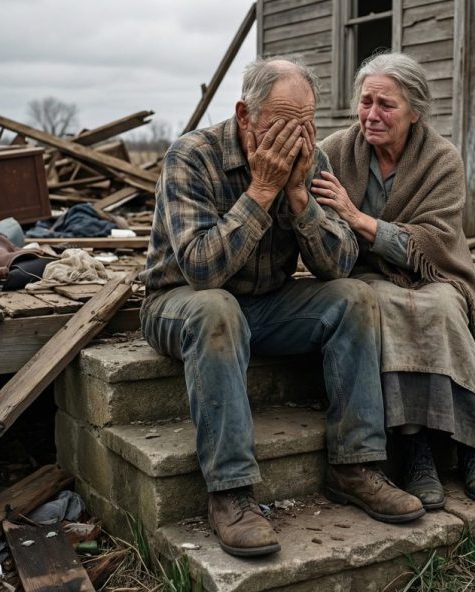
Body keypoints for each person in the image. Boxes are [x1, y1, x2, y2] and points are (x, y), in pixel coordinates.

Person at [140, 56, 424, 559]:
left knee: (355, 297)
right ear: (245, 114)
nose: (296, 137)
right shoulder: (191, 156)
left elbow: (338, 264)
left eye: (306, 123)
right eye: (282, 123)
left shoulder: (311, 159)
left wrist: (297, 197)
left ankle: (354, 465)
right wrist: (262, 189)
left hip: (266, 305)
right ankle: (230, 493)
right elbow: (203, 271)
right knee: (216, 308)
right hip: (180, 304)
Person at [313, 51, 475, 511]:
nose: (372, 115)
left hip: (434, 270)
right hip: (367, 273)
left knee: (440, 308)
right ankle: (417, 448)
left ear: (415, 111)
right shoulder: (337, 151)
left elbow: (436, 240)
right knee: (381, 303)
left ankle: (472, 447)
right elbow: (319, 220)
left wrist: (357, 218)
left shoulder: (442, 159)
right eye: (366, 102)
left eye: (387, 105)